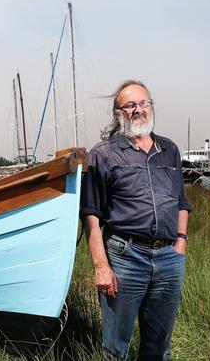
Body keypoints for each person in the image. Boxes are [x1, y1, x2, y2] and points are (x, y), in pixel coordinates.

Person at [80, 80, 191, 360]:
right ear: (119, 114)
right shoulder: (103, 154)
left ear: (151, 106)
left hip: (168, 258)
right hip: (125, 257)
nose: (138, 110)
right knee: (116, 348)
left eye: (143, 103)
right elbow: (91, 214)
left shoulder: (170, 150)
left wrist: (180, 243)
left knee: (159, 347)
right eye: (129, 106)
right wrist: (101, 267)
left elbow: (181, 203)